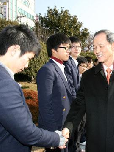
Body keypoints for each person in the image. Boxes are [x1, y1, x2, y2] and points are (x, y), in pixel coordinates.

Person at [62, 29, 114, 152]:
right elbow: (78, 106)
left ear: (113, 46)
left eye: (101, 46)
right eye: (94, 47)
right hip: (96, 141)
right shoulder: (88, 76)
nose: (97, 51)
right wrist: (68, 127)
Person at [0, 24, 67, 152]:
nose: (27, 65)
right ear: (14, 50)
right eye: (28, 58)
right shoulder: (5, 83)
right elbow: (26, 133)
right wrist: (57, 138)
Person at [36, 33, 75, 152]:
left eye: (70, 47)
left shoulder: (63, 68)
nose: (69, 50)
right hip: (56, 129)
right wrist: (54, 134)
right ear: (54, 50)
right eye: (65, 47)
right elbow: (45, 105)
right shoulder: (47, 70)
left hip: (65, 127)